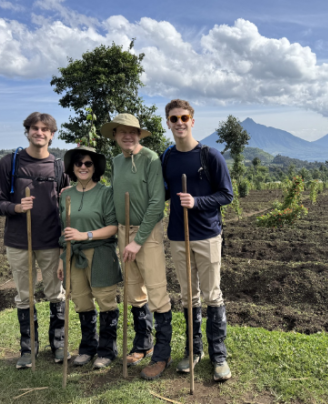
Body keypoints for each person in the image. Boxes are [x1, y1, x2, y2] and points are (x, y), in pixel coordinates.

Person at [163, 99, 234, 381]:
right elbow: (161, 193)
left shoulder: (209, 155)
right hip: (178, 238)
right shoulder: (167, 158)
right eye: (173, 119)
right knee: (188, 296)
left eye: (184, 118)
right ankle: (194, 352)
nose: (179, 123)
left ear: (192, 121)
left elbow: (226, 195)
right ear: (168, 123)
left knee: (212, 295)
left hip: (206, 235)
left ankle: (219, 356)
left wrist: (197, 201)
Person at [0, 112, 70, 369]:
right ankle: (29, 348)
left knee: (55, 294)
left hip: (50, 240)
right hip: (18, 241)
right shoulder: (9, 163)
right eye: (34, 128)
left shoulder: (59, 167)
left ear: (51, 134)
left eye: (44, 129)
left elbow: (68, 202)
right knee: (24, 296)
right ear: (27, 131)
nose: (39, 132)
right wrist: (16, 207)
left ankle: (58, 345)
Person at [100, 113, 172, 380]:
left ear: (139, 135)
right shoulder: (117, 162)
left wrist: (137, 240)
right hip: (122, 230)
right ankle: (143, 343)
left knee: (156, 290)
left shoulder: (151, 159)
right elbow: (113, 193)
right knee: (133, 289)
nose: (127, 136)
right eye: (122, 131)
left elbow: (157, 202)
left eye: (133, 131)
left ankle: (162, 356)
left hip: (147, 232)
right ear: (116, 136)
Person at [57, 146, 123, 369]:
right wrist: (60, 258)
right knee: (82, 301)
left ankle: (107, 351)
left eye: (88, 163)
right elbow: (63, 230)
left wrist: (85, 235)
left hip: (100, 253)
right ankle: (87, 348)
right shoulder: (65, 195)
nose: (83, 167)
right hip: (73, 255)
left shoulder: (105, 193)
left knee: (105, 301)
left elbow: (113, 227)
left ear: (95, 167)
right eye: (78, 163)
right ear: (72, 168)